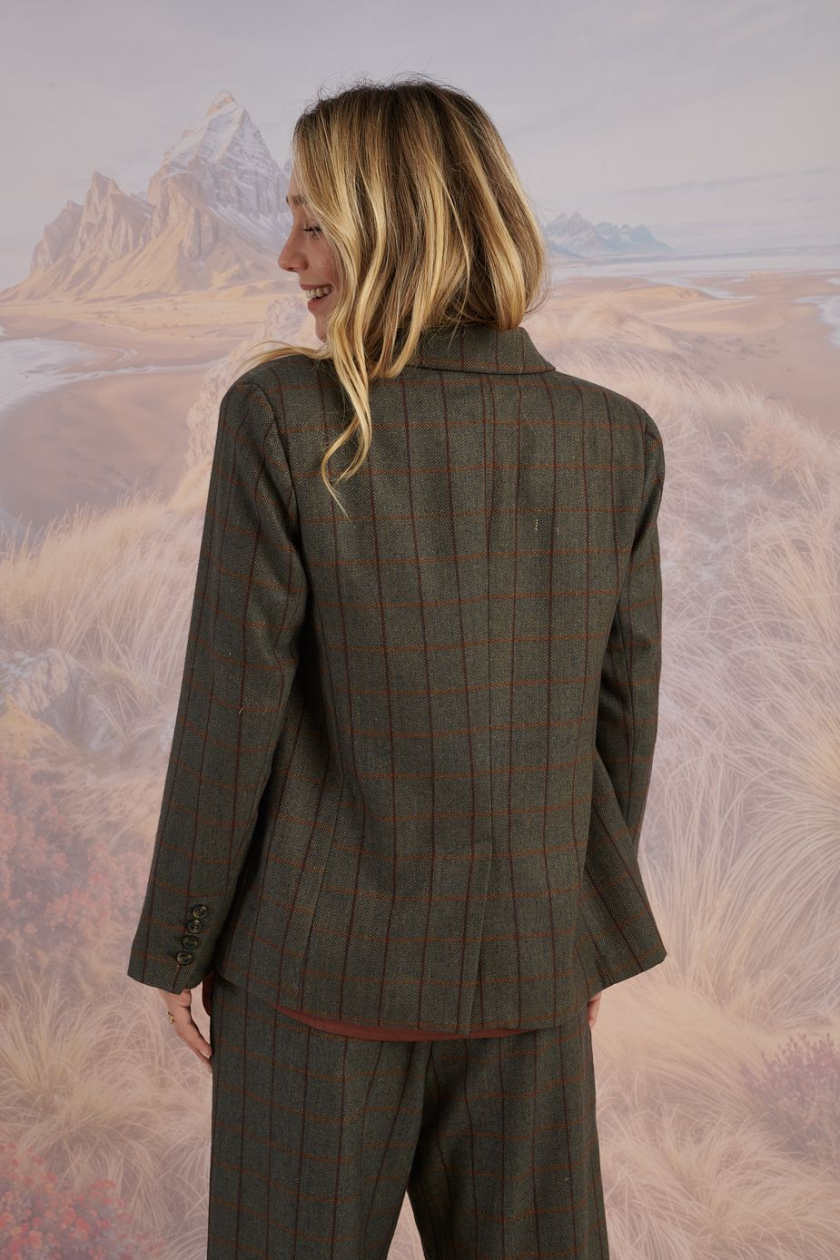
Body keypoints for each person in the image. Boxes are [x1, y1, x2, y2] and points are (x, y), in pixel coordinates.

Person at [127, 73, 667, 1260]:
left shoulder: (279, 414)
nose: (289, 255)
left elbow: (232, 711)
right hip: (528, 971)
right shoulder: (615, 439)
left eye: (314, 222)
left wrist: (181, 940)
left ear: (397, 227)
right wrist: (575, 927)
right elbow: (619, 723)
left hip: (311, 984)